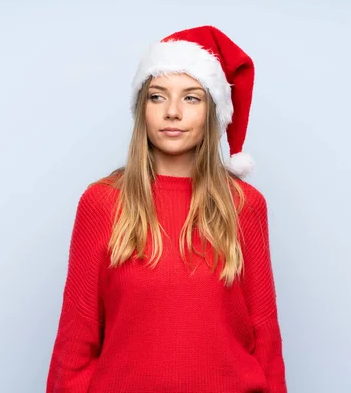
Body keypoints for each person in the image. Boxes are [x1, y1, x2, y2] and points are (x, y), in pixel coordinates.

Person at [46, 25, 287, 393]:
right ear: (142, 108)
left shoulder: (245, 206)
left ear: (213, 112)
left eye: (191, 98)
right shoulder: (103, 202)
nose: (172, 112)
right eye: (158, 97)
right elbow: (76, 342)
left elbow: (265, 337)